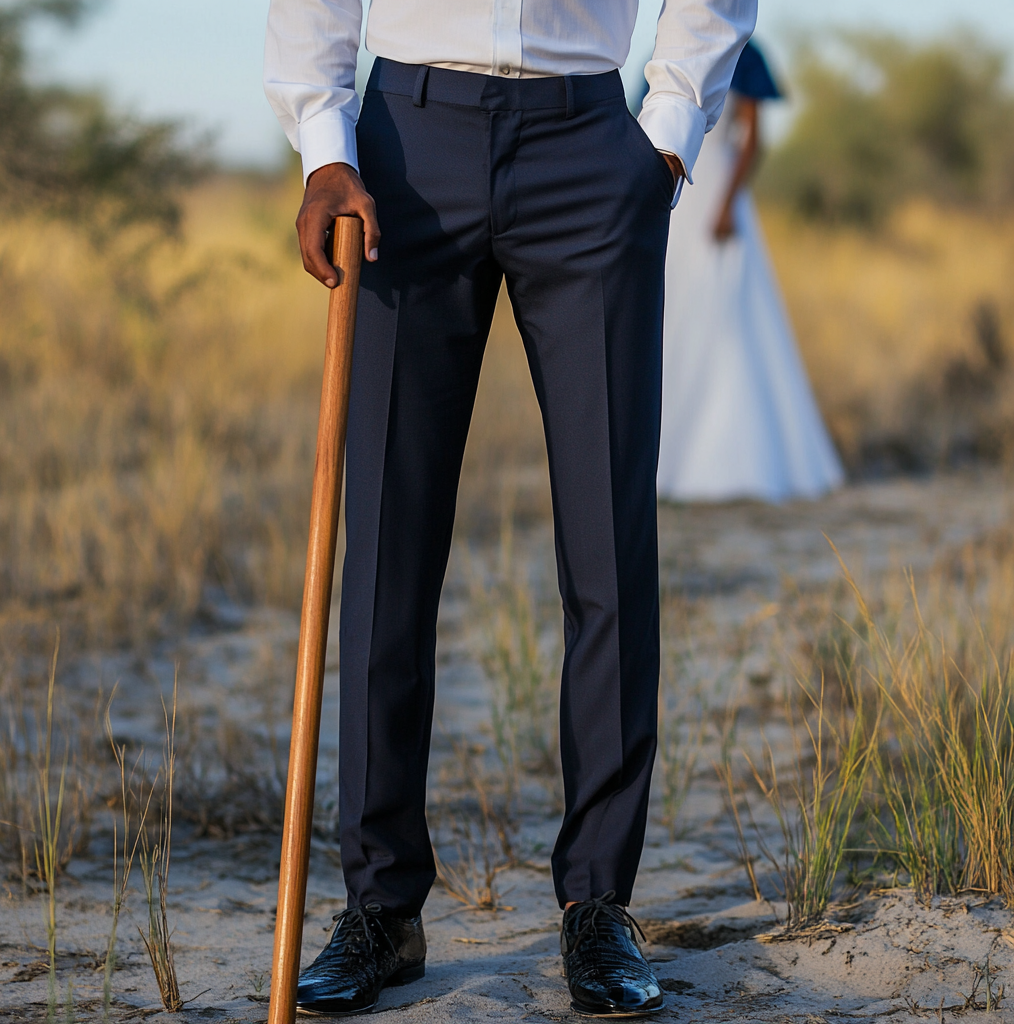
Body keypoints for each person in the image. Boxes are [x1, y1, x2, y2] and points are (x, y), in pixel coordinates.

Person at [264, 1, 755, 1016]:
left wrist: (666, 135)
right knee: (388, 552)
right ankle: (381, 906)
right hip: (403, 140)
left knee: (608, 545)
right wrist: (323, 143)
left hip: (589, 147)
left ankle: (597, 902)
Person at [656, 40, 844, 503]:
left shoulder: (745, 51)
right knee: (674, 323)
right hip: (677, 204)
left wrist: (726, 204)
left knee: (727, 321)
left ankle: (733, 459)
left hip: (717, 198)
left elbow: (754, 141)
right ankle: (664, 459)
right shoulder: (668, 44)